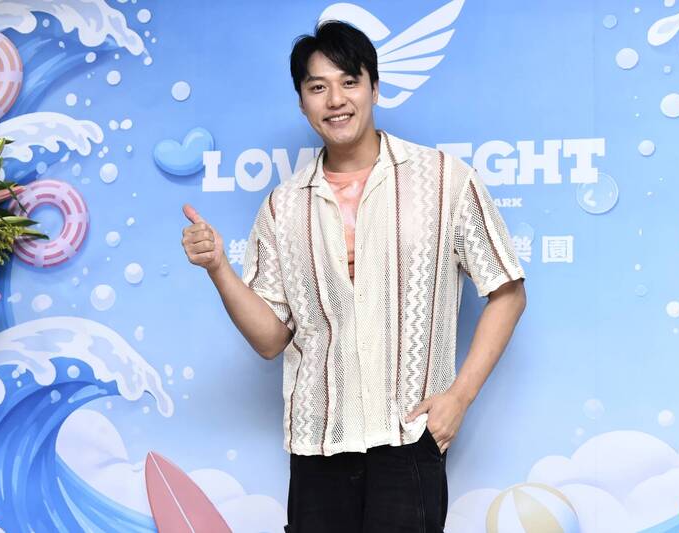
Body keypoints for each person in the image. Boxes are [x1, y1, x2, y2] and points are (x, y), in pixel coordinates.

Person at [181, 20, 526, 533]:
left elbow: (508, 292)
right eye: (318, 87)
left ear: (374, 87)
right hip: (318, 444)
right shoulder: (282, 207)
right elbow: (270, 339)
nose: (335, 99)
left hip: (408, 437)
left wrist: (458, 398)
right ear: (302, 103)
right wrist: (218, 269)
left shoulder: (444, 180)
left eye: (349, 81)